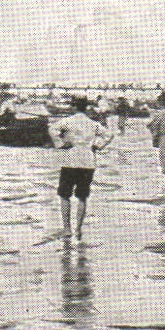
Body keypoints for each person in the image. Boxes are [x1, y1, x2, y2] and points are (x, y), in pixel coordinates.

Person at [48, 95, 113, 240]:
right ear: (86, 108)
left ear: (74, 107)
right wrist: (98, 145)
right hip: (88, 161)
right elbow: (109, 134)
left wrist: (60, 144)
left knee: (65, 195)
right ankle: (78, 228)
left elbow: (52, 129)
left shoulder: (68, 121)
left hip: (70, 160)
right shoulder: (92, 123)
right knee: (82, 196)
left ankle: (67, 229)